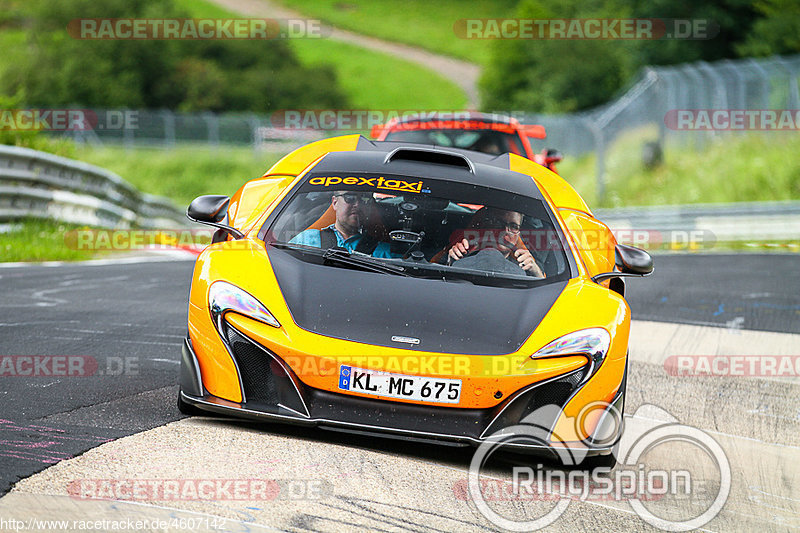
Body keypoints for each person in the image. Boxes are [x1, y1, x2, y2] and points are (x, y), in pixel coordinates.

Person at [290, 191, 397, 258]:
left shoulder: (384, 252)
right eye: (349, 198)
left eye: (364, 199)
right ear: (335, 202)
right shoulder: (308, 239)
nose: (357, 204)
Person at [447, 207, 545, 277]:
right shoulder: (463, 252)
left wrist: (535, 271)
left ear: (518, 234)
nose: (505, 231)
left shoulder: (526, 263)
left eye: (513, 227)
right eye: (498, 223)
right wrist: (450, 260)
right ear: (486, 225)